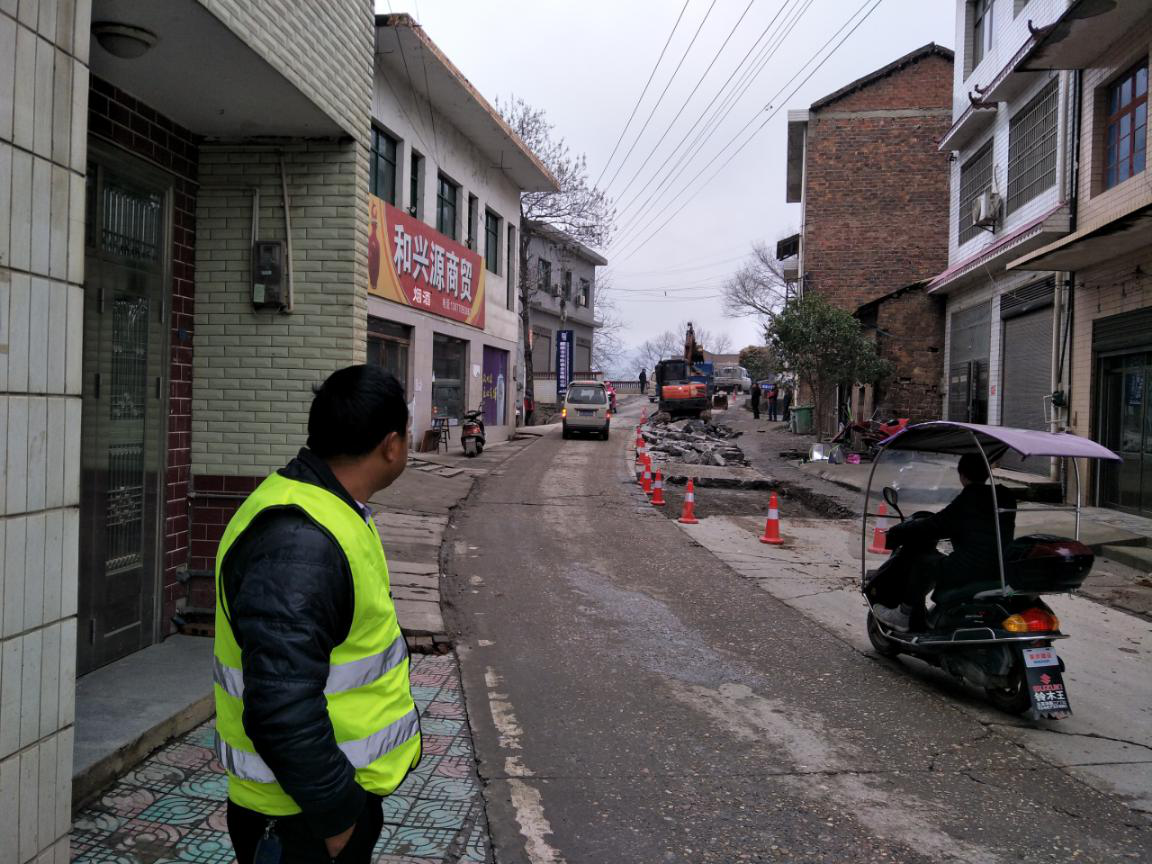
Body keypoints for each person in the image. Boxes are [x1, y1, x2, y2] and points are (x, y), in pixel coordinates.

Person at [214, 365, 421, 863]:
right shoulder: (301, 542)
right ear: (391, 445)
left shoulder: (326, 509)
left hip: (317, 805)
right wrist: (339, 817)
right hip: (302, 819)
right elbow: (280, 705)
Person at [873, 453, 1017, 632]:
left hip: (971, 568)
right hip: (1001, 566)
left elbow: (935, 525)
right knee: (939, 560)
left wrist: (897, 532)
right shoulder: (1004, 496)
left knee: (922, 563)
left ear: (962, 475)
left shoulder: (969, 499)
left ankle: (903, 615)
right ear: (986, 474)